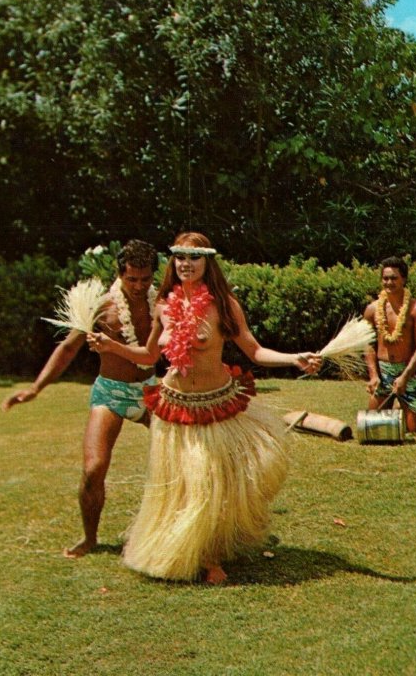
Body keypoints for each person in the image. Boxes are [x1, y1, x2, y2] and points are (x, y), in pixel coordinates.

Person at [87, 231, 322, 584]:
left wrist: (294, 358)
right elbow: (150, 356)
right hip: (173, 407)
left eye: (194, 257)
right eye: (180, 257)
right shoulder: (163, 304)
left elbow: (254, 351)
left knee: (210, 483)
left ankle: (210, 556)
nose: (186, 264)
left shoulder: (223, 304)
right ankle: (188, 551)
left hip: (214, 404)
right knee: (183, 486)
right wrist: (110, 345)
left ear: (207, 262)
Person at [1, 239, 158, 558]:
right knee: (93, 469)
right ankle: (90, 538)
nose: (139, 286)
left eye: (145, 279)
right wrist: (36, 388)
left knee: (184, 461)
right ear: (120, 273)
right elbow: (68, 348)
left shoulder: (164, 305)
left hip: (151, 391)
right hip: (110, 393)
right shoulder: (102, 306)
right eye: (132, 279)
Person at [363, 256, 416, 433]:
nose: (389, 282)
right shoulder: (372, 310)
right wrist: (373, 375)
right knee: (372, 424)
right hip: (383, 372)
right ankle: (395, 408)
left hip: (407, 371)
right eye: (385, 278)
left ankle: (403, 408)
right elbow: (367, 344)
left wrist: (405, 377)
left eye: (394, 278)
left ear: (404, 279)